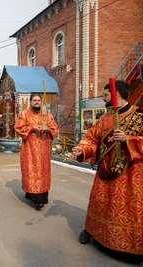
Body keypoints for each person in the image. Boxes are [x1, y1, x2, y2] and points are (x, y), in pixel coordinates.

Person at [72, 80, 143, 255]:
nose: (103, 99)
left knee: (128, 210)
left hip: (130, 174)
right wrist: (82, 149)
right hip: (105, 171)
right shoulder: (104, 119)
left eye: (105, 95)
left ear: (115, 93)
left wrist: (128, 140)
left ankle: (130, 247)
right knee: (100, 204)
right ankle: (92, 230)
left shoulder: (140, 116)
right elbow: (91, 139)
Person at [14, 93, 58, 210]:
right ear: (30, 101)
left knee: (42, 171)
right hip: (29, 148)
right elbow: (18, 127)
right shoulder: (24, 114)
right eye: (34, 100)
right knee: (31, 171)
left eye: (38, 100)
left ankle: (41, 198)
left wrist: (48, 130)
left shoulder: (46, 114)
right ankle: (34, 197)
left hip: (43, 149)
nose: (37, 102)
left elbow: (54, 128)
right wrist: (32, 129)